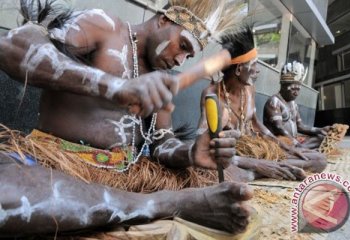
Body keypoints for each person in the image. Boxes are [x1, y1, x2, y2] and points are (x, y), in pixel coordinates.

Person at [0, 0, 252, 235]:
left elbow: (162, 144)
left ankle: (144, 203)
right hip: (55, 167)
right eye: (183, 46)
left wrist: (190, 153)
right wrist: (115, 87)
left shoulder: (161, 81)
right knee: (8, 192)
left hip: (126, 176)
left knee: (232, 177)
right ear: (164, 20)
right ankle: (164, 203)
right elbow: (13, 47)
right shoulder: (105, 27)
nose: (180, 59)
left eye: (189, 56)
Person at [198, 28, 327, 182]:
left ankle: (267, 169)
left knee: (319, 160)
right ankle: (265, 169)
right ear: (239, 69)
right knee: (221, 174)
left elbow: (256, 124)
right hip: (234, 155)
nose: (257, 70)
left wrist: (285, 146)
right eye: (254, 65)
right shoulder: (212, 94)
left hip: (255, 148)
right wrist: (257, 164)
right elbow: (202, 145)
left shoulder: (249, 89)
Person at [263, 61, 348, 153]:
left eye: (298, 89)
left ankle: (302, 149)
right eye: (293, 89)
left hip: (293, 141)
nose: (296, 93)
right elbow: (279, 128)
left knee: (322, 137)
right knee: (289, 145)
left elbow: (300, 127)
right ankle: (301, 150)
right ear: (283, 86)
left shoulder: (293, 104)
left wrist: (319, 130)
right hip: (279, 142)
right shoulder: (274, 102)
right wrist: (294, 141)